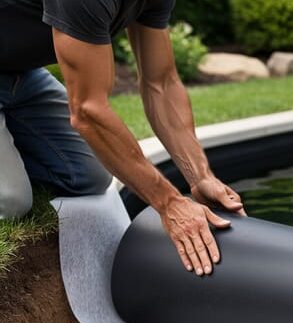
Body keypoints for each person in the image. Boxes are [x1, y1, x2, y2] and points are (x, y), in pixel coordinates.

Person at [0, 0, 245, 276]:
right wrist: (170, 203)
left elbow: (160, 84)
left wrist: (200, 176)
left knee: (86, 175)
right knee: (10, 201)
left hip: (21, 77)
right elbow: (88, 112)